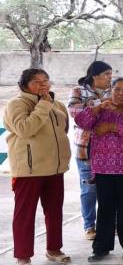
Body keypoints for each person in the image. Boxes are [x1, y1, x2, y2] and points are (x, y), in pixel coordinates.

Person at [75, 78, 123, 262]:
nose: (121, 93)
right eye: (117, 89)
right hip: (103, 168)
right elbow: (81, 121)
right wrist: (97, 108)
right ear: (110, 91)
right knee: (105, 208)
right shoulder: (101, 109)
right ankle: (101, 248)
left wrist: (110, 127)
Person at [4, 69, 72, 265]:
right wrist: (43, 105)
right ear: (24, 85)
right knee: (25, 214)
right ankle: (23, 256)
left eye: (46, 81)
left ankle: (54, 249)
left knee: (54, 211)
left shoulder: (56, 104)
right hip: (29, 169)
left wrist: (48, 104)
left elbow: (64, 129)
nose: (43, 85)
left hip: (56, 167)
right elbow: (25, 129)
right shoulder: (16, 104)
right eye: (36, 82)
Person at [68, 60, 112, 241]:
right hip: (86, 147)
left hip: (109, 148)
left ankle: (109, 223)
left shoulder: (112, 91)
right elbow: (73, 111)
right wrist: (96, 105)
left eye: (111, 74)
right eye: (107, 74)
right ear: (95, 76)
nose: (110, 78)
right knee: (89, 188)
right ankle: (89, 226)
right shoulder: (78, 91)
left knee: (109, 188)